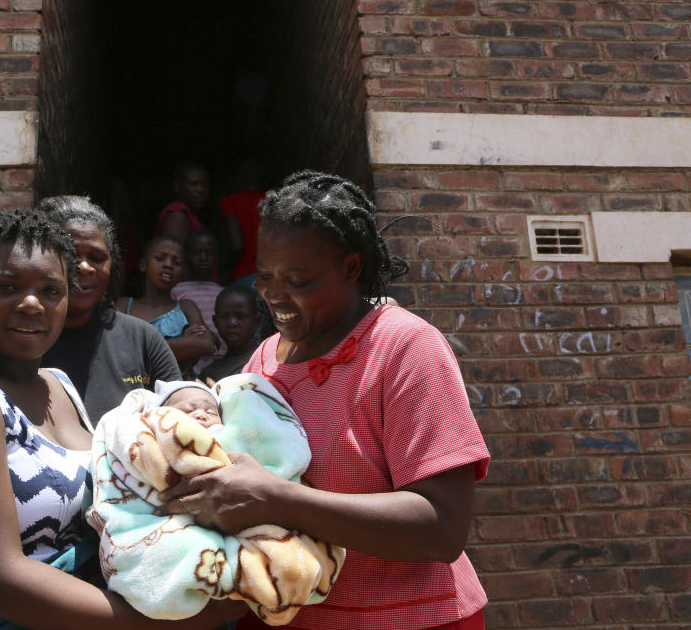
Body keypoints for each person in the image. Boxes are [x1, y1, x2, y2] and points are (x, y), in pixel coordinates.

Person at [158, 171, 491, 630]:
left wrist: (277, 498)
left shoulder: (404, 347)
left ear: (351, 268)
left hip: (406, 618)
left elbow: (441, 528)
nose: (274, 294)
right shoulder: (264, 360)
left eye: (297, 278)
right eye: (265, 275)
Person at [0, 207, 241, 630]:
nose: (31, 303)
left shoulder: (58, 385)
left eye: (50, 290)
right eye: (7, 286)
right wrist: (171, 622)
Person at [87, 375, 345, 626]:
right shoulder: (154, 429)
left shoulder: (232, 435)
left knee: (291, 560)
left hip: (248, 518)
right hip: (172, 519)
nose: (201, 415)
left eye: (210, 410)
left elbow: (269, 462)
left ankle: (246, 571)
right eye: (187, 410)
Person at [34, 195, 181, 427]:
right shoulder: (16, 339)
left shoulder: (143, 340)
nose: (84, 267)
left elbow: (178, 423)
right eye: (71, 254)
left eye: (96, 258)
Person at [119, 235, 216, 377]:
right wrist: (185, 343)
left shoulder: (186, 307)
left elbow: (207, 344)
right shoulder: (124, 305)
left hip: (177, 389)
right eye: (160, 258)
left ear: (182, 271)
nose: (168, 265)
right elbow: (119, 350)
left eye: (176, 262)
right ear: (142, 265)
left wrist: (141, 349)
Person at [171, 230, 225, 376]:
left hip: (222, 361)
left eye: (209, 253)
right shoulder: (177, 291)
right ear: (187, 258)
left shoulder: (225, 293)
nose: (203, 257)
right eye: (196, 253)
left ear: (217, 258)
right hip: (191, 363)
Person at [200, 285, 262, 383]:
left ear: (256, 322)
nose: (232, 323)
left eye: (241, 316)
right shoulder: (210, 373)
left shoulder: (264, 361)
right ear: (215, 322)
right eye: (224, 316)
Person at [219, 160, 266, 288]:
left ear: (237, 179)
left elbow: (237, 245)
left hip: (245, 275)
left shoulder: (230, 202)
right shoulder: (273, 203)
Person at [155, 161, 211, 247]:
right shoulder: (178, 214)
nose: (201, 190)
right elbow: (173, 255)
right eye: (194, 184)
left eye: (205, 185)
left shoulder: (189, 215)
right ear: (177, 186)